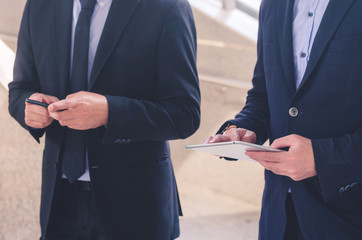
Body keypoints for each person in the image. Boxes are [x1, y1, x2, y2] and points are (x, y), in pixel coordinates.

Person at [8, 0, 200, 239]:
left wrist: (110, 112)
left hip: (136, 206)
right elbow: (19, 89)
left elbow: (185, 114)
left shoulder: (167, 7)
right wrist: (29, 106)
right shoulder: (40, 5)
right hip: (59, 202)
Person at [205, 0, 362, 239]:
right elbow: (263, 95)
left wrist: (324, 158)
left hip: (348, 216)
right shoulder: (272, 5)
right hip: (277, 217)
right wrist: (243, 127)